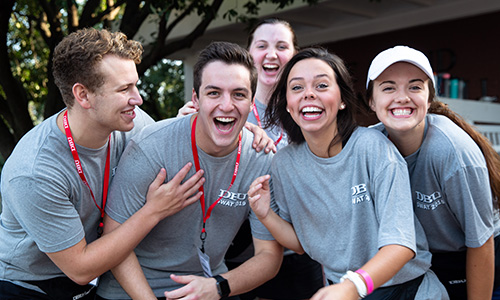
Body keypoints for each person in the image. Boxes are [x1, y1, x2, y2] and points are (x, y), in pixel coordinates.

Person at [0, 28, 207, 300]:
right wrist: (153, 211)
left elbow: (171, 145)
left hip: (97, 276)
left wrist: (250, 133)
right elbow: (80, 268)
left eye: (135, 84)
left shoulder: (131, 123)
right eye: (124, 89)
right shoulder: (35, 171)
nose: (138, 98)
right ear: (83, 95)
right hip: (31, 286)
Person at [248, 47, 449, 300]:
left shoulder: (372, 148)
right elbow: (302, 243)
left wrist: (353, 285)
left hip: (406, 290)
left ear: (342, 99)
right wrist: (265, 215)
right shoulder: (284, 164)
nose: (309, 94)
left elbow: (401, 245)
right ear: (287, 104)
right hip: (344, 291)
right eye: (297, 88)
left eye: (321, 85)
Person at [95, 41, 283, 300]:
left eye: (238, 94)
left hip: (210, 285)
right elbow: (113, 240)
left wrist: (218, 286)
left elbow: (269, 257)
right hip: (135, 291)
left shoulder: (262, 158)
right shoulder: (152, 146)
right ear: (196, 98)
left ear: (252, 103)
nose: (226, 105)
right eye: (214, 93)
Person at [178, 18, 324, 300]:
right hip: (241, 248)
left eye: (282, 46)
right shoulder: (223, 109)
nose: (271, 54)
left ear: (294, 55)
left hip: (300, 246)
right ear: (248, 54)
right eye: (262, 46)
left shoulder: (308, 108)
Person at [364, 45, 500, 299]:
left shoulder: (452, 152)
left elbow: (481, 243)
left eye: (415, 87)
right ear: (372, 101)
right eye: (388, 87)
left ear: (428, 99)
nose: (402, 97)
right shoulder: (368, 145)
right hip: (423, 260)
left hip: (478, 256)